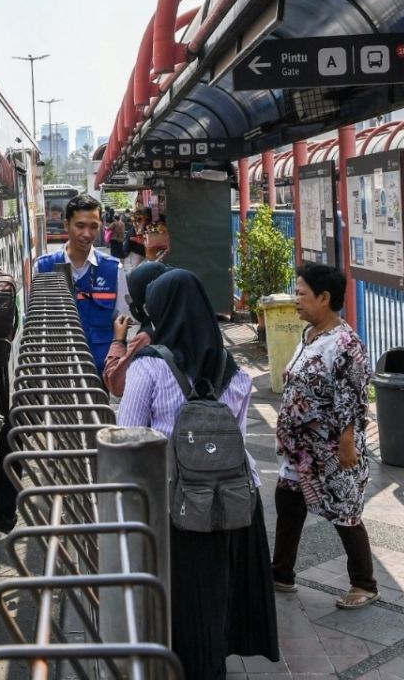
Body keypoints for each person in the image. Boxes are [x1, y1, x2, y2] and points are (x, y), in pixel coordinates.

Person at [117, 269, 278, 678]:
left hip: (175, 504)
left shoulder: (149, 367)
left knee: (185, 597)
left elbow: (128, 437)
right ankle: (214, 661)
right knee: (218, 594)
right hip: (235, 499)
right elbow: (237, 439)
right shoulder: (235, 370)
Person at [271, 262, 378, 610]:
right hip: (300, 451)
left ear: (325, 297)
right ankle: (281, 573)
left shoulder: (346, 343)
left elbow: (354, 395)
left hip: (331, 450)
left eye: (301, 294)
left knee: (345, 513)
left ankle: (364, 584)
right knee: (288, 504)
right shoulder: (310, 334)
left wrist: (346, 442)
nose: (296, 300)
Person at [34, 194, 129, 370]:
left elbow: (122, 320)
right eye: (80, 226)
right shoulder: (43, 267)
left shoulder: (113, 269)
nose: (87, 234)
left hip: (98, 371)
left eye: (93, 227)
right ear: (66, 225)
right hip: (57, 370)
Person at [102, 261, 170, 396]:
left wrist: (119, 341)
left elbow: (117, 383)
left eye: (131, 297)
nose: (130, 303)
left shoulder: (147, 335)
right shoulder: (194, 322)